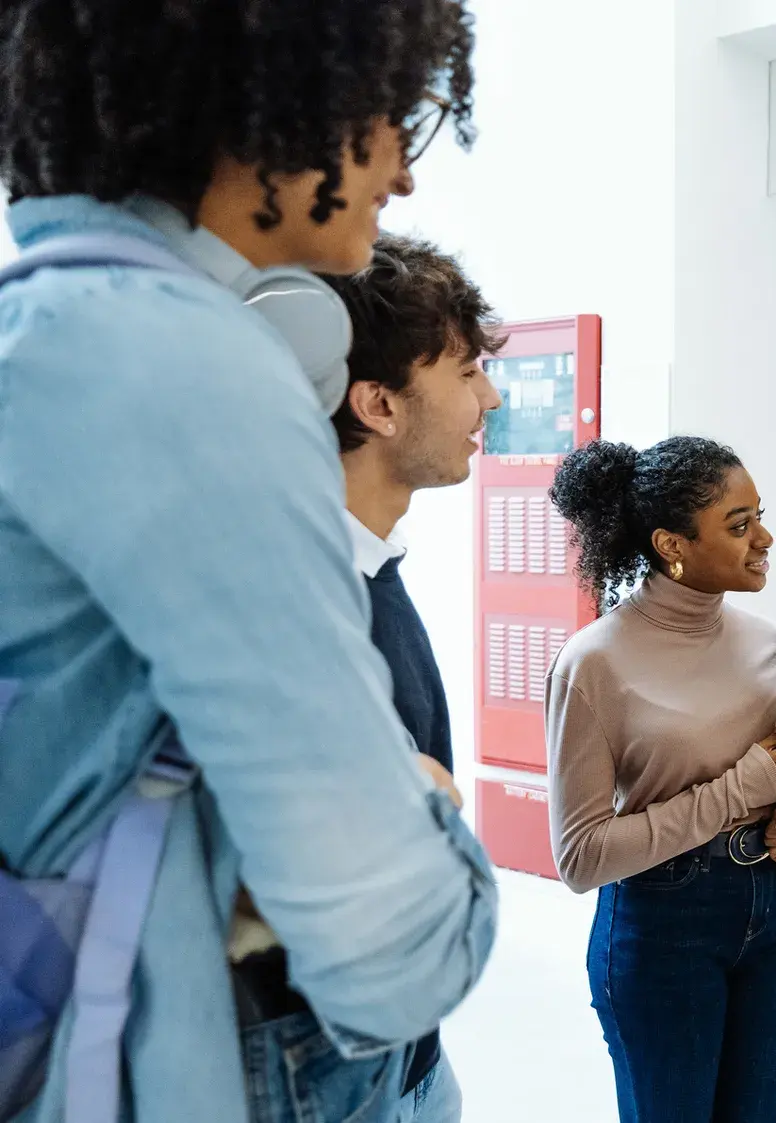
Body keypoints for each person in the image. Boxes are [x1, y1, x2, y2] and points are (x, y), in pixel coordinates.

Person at [0, 4, 496, 1123]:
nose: (403, 175)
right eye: (389, 111)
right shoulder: (180, 361)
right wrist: (429, 815)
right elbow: (397, 952)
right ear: (273, 94)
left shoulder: (39, 333)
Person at [544, 436, 776, 1123]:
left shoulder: (770, 644)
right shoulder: (593, 663)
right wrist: (741, 790)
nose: (764, 537)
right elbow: (582, 856)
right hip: (661, 925)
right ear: (671, 543)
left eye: (758, 516)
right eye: (739, 526)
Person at [321, 234, 508, 1122]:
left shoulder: (374, 570)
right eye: (468, 371)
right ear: (379, 404)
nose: (491, 396)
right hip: (343, 1070)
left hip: (411, 1063)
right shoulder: (299, 610)